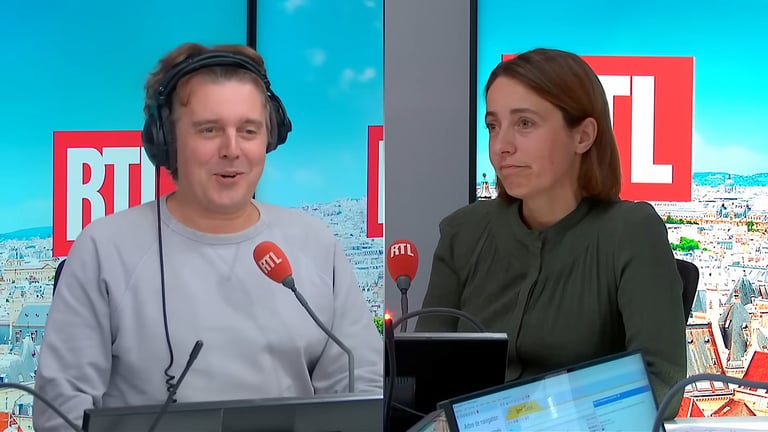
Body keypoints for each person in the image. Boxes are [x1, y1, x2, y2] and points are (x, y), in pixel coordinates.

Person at [33, 42, 383, 431]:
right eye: (209, 130)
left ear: (269, 138)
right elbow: (60, 411)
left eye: (248, 130)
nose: (231, 150)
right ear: (166, 141)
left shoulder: (315, 244)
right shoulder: (104, 250)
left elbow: (360, 387)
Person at [415, 48, 686, 420]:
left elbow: (661, 385)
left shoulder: (631, 232)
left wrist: (522, 419)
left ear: (583, 136)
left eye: (525, 123)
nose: (501, 146)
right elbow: (424, 381)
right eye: (493, 126)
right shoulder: (462, 232)